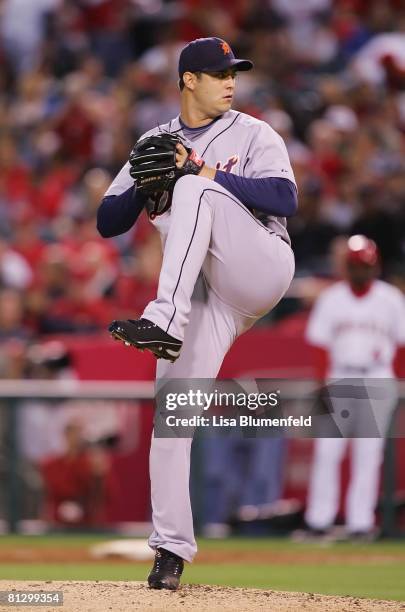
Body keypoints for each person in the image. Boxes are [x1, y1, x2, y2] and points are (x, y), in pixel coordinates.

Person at [97, 37, 297, 589]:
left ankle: (163, 317)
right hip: (203, 294)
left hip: (258, 264)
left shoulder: (255, 132)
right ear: (189, 80)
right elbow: (108, 222)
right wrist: (141, 183)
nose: (230, 81)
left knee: (195, 190)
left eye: (233, 73)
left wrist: (202, 171)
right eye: (218, 74)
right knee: (173, 414)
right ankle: (169, 551)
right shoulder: (154, 140)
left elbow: (285, 199)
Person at [304, 235, 405, 540]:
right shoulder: (332, 297)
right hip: (340, 377)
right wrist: (322, 384)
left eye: (365, 265)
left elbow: (400, 346)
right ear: (346, 266)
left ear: (375, 266)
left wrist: (395, 385)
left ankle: (360, 523)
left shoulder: (391, 298)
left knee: (368, 454)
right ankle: (319, 520)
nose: (360, 270)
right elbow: (320, 346)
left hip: (377, 377)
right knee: (327, 452)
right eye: (355, 265)